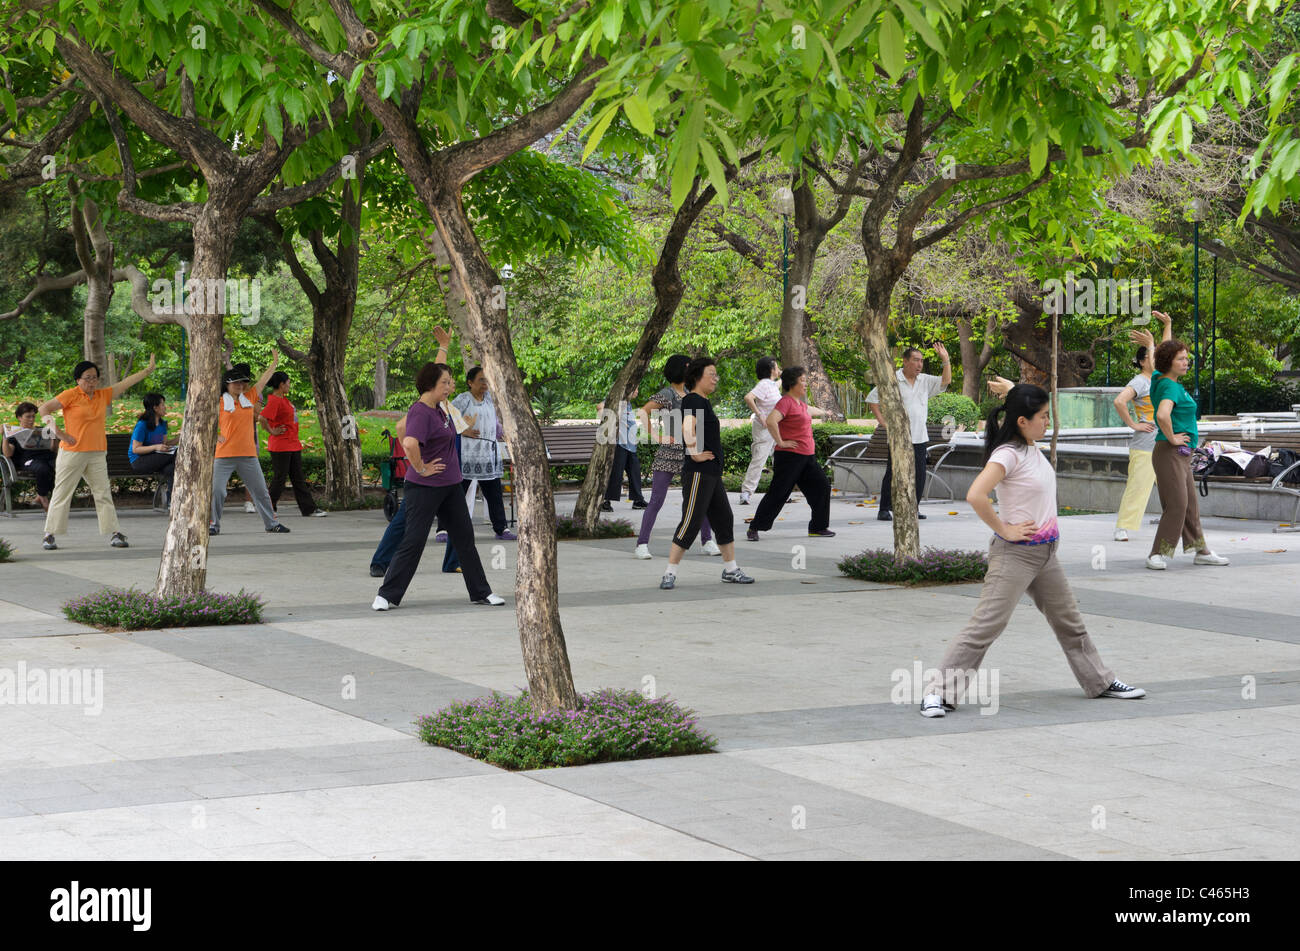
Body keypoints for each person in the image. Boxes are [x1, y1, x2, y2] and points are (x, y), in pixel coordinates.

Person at [919, 383, 1147, 717]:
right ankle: (937, 693)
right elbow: (975, 495)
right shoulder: (1008, 454)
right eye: (1041, 417)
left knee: (1070, 623)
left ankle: (1100, 681)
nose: (1047, 422)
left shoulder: (1028, 445)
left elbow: (1022, 405)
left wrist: (1013, 390)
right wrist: (1004, 529)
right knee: (985, 626)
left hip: (1045, 555)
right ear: (1023, 421)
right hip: (1015, 555)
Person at [373, 361, 505, 609]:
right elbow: (410, 443)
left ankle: (481, 592)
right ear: (430, 385)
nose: (449, 386)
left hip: (451, 486)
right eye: (445, 382)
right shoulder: (421, 411)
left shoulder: (441, 407)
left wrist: (443, 346)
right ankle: (386, 595)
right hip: (424, 488)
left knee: (465, 539)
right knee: (413, 540)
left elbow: (436, 367)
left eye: (450, 381)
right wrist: (421, 468)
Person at [38, 354, 157, 550]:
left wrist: (147, 371)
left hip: (97, 452)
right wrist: (60, 434)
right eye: (87, 377)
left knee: (103, 493)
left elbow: (125, 384)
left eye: (95, 377)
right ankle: (49, 534)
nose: (92, 381)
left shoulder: (102, 395)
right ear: (78, 380)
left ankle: (114, 533)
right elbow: (44, 409)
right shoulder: (70, 395)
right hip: (72, 452)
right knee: (62, 493)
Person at [659, 357, 754, 589]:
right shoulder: (694, 400)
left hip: (711, 473)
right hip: (699, 473)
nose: (715, 378)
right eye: (711, 374)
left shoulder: (702, 401)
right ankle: (669, 573)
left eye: (716, 374)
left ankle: (731, 570)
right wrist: (695, 453)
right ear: (697, 377)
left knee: (724, 519)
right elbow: (686, 428)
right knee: (691, 521)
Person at [1146, 340, 1230, 570]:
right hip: (1170, 452)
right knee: (1177, 505)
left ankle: (1200, 551)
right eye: (1181, 359)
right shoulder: (1171, 387)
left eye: (1187, 358)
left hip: (1178, 455)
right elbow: (1163, 415)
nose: (1186, 362)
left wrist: (1165, 328)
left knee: (1190, 505)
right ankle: (1157, 553)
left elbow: (1162, 352)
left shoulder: (1160, 379)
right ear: (1169, 362)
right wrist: (1172, 437)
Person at [633, 355, 718, 558]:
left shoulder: (693, 393)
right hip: (669, 454)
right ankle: (642, 544)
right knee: (656, 500)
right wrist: (657, 437)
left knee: (701, 498)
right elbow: (643, 412)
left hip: (692, 453)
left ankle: (707, 541)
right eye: (688, 367)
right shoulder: (668, 394)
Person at [746, 366, 836, 540]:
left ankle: (818, 527)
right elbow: (771, 421)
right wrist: (780, 442)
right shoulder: (785, 402)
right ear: (792, 383)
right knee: (779, 493)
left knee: (822, 487)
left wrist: (826, 412)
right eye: (802, 380)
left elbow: (810, 410)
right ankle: (755, 527)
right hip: (790, 457)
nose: (805, 384)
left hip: (807, 457)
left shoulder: (799, 404)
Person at [866, 342, 950, 521]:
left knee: (919, 474)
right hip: (899, 437)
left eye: (921, 361)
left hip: (920, 436)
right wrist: (883, 422)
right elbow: (872, 399)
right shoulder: (892, 379)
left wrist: (946, 360)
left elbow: (945, 381)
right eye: (915, 360)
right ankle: (884, 509)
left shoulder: (925, 380)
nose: (919, 364)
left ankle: (913, 508)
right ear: (905, 361)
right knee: (894, 473)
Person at [211, 355, 290, 535]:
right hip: (223, 455)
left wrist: (274, 363)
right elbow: (205, 422)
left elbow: (263, 380)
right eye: (235, 383)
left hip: (248, 455)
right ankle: (213, 525)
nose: (239, 385)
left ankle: (272, 524)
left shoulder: (250, 397)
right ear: (227, 384)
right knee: (217, 491)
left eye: (242, 383)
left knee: (261, 492)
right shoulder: (219, 402)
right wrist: (215, 436)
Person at [1112, 312, 1172, 542]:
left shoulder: (1162, 380)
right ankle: (1123, 526)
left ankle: (1182, 527)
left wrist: (1167, 325)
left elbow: (1168, 350)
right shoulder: (1140, 381)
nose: (1159, 358)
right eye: (1153, 355)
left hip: (1167, 442)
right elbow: (1119, 401)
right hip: (1146, 444)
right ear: (1144, 361)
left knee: (1176, 490)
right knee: (1138, 487)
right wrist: (1133, 424)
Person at [452, 366, 516, 539]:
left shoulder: (489, 399)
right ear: (470, 382)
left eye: (486, 380)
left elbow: (495, 421)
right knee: (457, 494)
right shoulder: (463, 399)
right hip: (468, 455)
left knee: (494, 493)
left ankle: (501, 528)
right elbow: (448, 416)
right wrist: (462, 430)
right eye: (481, 380)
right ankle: (444, 528)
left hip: (489, 454)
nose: (484, 383)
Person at [260, 371, 326, 518]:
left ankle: (308, 508)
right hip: (281, 446)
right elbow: (262, 418)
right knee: (280, 479)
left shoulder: (284, 399)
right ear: (281, 384)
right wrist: (272, 431)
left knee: (298, 478)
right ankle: (268, 508)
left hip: (293, 444)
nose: (289, 385)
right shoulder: (275, 400)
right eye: (288, 382)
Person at [3, 402, 73, 511]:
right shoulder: (14, 433)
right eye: (28, 416)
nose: (31, 419)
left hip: (48, 458)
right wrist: (5, 437)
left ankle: (40, 496)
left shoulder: (42, 431)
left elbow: (54, 450)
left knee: (62, 466)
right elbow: (8, 454)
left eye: (33, 416)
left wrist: (54, 438)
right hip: (29, 461)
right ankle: (43, 497)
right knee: (42, 468)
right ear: (19, 417)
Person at [739, 356, 782, 505]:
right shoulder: (764, 384)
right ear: (771, 369)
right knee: (759, 459)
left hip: (775, 428)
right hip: (764, 429)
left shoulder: (771, 385)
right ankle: (746, 492)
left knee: (780, 460)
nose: (779, 369)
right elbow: (748, 397)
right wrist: (760, 415)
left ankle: (782, 492)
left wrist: (783, 374)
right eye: (776, 367)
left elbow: (778, 384)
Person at [600, 386, 648, 512]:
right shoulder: (618, 400)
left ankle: (638, 500)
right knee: (616, 473)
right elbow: (600, 407)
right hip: (619, 444)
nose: (637, 391)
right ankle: (606, 501)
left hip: (630, 445)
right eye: (635, 389)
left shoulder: (628, 404)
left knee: (635, 472)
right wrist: (616, 417)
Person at [128, 393, 178, 505]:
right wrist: (156, 447)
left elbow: (165, 445)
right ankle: (172, 501)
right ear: (155, 408)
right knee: (176, 454)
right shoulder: (142, 425)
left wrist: (181, 437)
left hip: (156, 458)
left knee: (172, 469)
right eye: (163, 404)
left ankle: (172, 502)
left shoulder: (162, 424)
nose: (165, 407)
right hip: (139, 461)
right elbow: (136, 449)